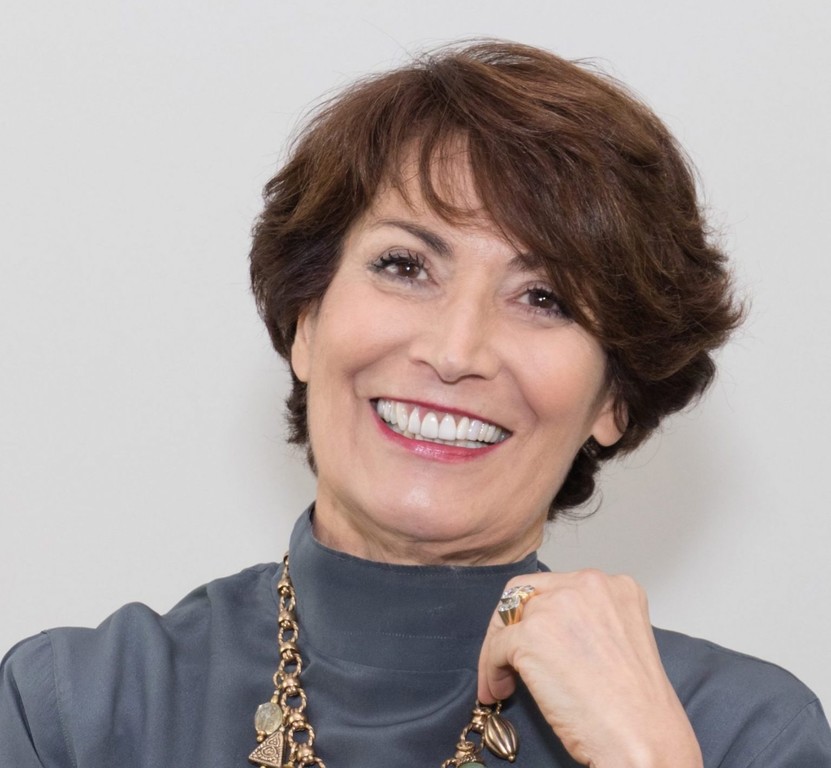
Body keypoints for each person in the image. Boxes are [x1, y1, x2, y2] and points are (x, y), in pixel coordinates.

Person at [2, 40, 829, 768]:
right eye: (404, 266)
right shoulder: (74, 710)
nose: (455, 351)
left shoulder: (738, 737)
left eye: (543, 298)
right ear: (304, 323)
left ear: (614, 396)